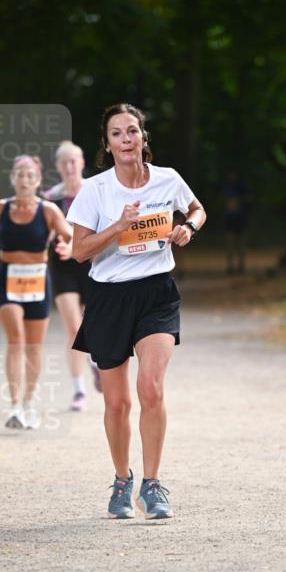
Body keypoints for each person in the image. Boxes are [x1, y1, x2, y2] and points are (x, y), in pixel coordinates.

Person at [67, 103, 206, 520]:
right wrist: (117, 226)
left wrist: (188, 228)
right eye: (117, 134)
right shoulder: (96, 190)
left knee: (151, 388)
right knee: (117, 403)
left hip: (156, 292)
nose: (126, 140)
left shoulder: (167, 179)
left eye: (132, 131)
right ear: (107, 145)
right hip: (109, 297)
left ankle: (153, 484)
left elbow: (197, 209)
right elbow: (78, 251)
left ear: (143, 138)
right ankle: (121, 481)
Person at [0, 154, 72, 429]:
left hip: (37, 280)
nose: (25, 179)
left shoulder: (48, 211)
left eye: (30, 175)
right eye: (20, 174)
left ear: (38, 180)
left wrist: (66, 244)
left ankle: (29, 402)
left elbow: (69, 233)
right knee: (16, 338)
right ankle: (15, 405)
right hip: (8, 277)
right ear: (13, 178)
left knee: (33, 345)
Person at [43, 141, 102, 411]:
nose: (69, 166)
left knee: (92, 326)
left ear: (81, 163)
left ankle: (95, 364)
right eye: (64, 162)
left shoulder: (96, 191)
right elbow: (42, 235)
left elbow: (106, 227)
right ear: (57, 166)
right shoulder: (49, 198)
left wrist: (78, 246)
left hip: (92, 264)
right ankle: (80, 388)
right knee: (74, 328)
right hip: (63, 266)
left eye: (73, 161)